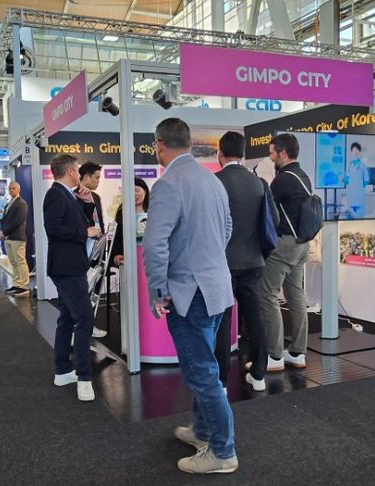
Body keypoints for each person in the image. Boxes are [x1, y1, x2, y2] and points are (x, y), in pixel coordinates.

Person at [143, 118, 237, 474]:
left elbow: (155, 245)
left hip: (190, 293)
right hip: (216, 288)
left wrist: (158, 290)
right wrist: (206, 259)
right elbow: (227, 228)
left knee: (202, 374)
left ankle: (223, 453)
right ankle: (202, 431)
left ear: (159, 144)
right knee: (205, 368)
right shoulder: (212, 179)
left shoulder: (168, 184)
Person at [213, 131, 277, 393]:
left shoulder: (215, 182)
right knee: (255, 317)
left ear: (220, 153)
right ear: (243, 153)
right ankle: (259, 374)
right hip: (254, 261)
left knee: (222, 321)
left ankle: (221, 381)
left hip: (223, 262)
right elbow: (274, 221)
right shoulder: (259, 183)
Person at [43, 153, 101, 402]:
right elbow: (53, 228)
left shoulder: (67, 194)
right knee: (85, 318)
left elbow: (77, 221)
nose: (79, 173)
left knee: (67, 317)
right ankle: (84, 377)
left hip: (71, 265)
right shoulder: (56, 194)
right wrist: (84, 232)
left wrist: (86, 204)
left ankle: (62, 370)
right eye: (77, 169)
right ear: (69, 172)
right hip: (66, 268)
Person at [259, 133, 312, 371]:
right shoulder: (303, 176)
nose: (270, 158)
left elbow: (268, 213)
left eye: (272, 153)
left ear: (282, 153)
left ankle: (274, 356)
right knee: (296, 296)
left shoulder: (282, 181)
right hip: (301, 245)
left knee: (267, 295)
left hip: (284, 246)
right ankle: (298, 353)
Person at [110, 177, 150, 267]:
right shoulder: (122, 212)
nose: (134, 194)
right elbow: (118, 238)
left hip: (149, 258)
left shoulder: (153, 211)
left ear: (145, 191)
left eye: (137, 190)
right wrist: (118, 254)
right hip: (129, 261)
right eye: (131, 191)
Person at [1, 182, 30, 297]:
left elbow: (18, 221)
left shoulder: (22, 203)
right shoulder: (9, 203)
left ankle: (24, 286)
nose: (11, 190)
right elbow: (5, 219)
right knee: (13, 262)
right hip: (8, 237)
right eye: (9, 188)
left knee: (20, 261)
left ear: (19, 189)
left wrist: (5, 232)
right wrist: (3, 231)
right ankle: (17, 284)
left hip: (17, 237)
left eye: (13, 188)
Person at [77, 161, 105, 233]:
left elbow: (100, 221)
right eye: (97, 178)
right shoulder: (74, 196)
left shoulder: (96, 197)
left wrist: (103, 235)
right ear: (87, 177)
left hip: (98, 238)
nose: (98, 181)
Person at [345, 142, 368, 218]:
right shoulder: (349, 164)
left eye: (357, 150)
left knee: (359, 217)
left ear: (359, 151)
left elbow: (366, 180)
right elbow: (346, 179)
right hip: (351, 195)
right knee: (350, 216)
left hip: (359, 196)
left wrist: (360, 188)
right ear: (351, 151)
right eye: (353, 150)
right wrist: (343, 179)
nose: (355, 152)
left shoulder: (363, 165)